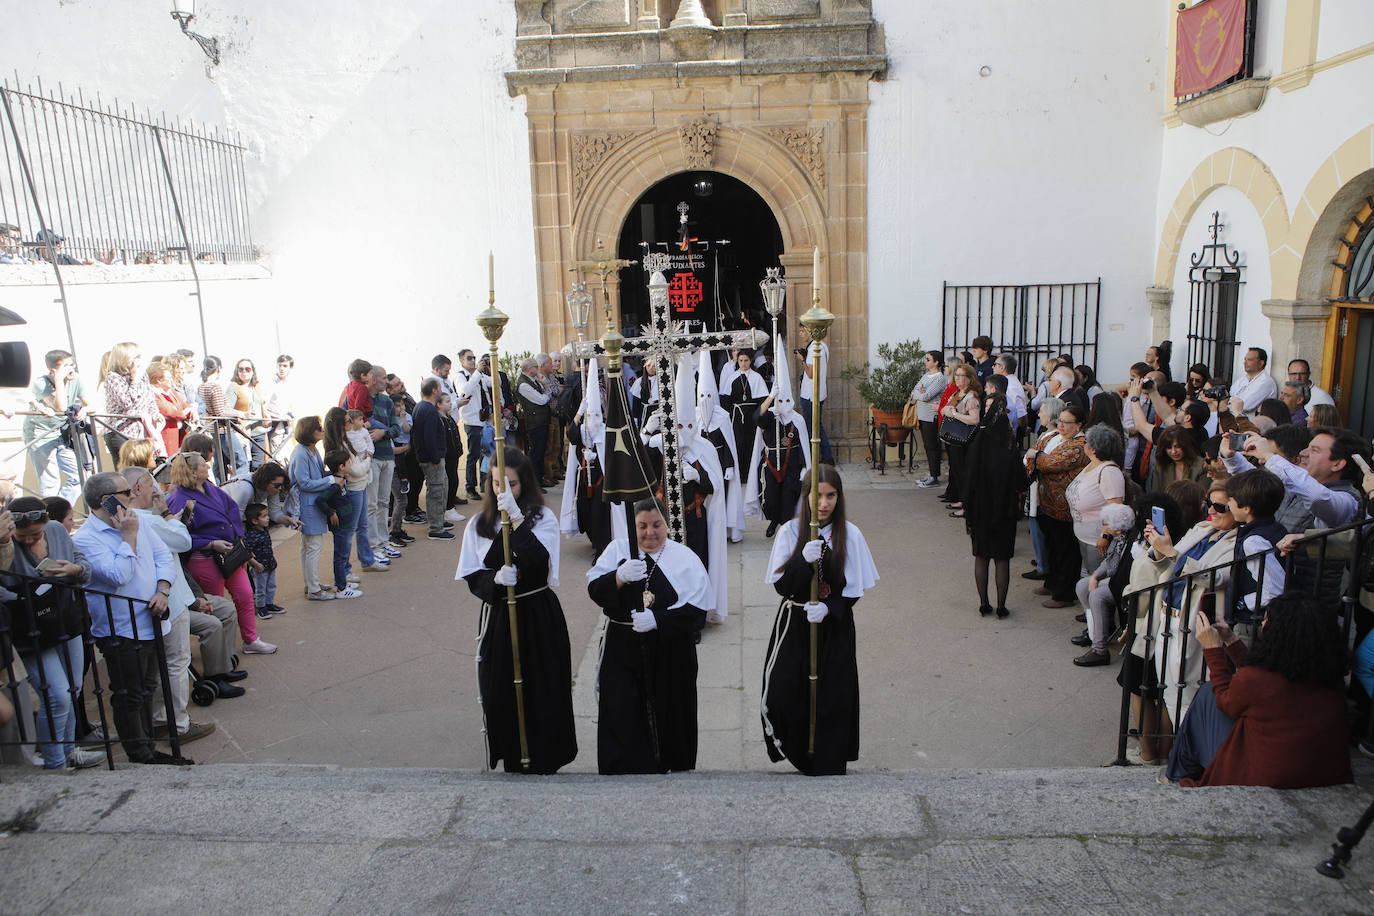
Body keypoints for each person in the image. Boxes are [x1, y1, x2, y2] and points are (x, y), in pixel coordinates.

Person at [457, 447, 577, 773]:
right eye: (496, 484)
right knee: (503, 693)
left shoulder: (543, 518)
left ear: (524, 482)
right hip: (501, 619)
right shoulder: (481, 524)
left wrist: (518, 521)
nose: (502, 491)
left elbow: (540, 559)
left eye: (511, 484)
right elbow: (472, 575)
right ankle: (511, 758)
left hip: (538, 616)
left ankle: (546, 760)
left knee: (543, 691)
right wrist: (493, 581)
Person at [762, 465, 878, 775]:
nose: (824, 503)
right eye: (818, 495)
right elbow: (781, 585)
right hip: (797, 625)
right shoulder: (790, 532)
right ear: (807, 496)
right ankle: (799, 751)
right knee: (785, 691)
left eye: (831, 496)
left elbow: (853, 591)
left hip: (834, 629)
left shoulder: (850, 535)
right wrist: (802, 561)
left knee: (833, 696)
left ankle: (828, 759)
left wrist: (830, 608)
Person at [1164, 594, 1350, 787]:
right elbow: (1256, 681)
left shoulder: (1258, 680)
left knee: (1208, 693)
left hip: (1265, 776)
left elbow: (1226, 701)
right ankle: (1178, 772)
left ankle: (1178, 774)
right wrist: (1230, 639)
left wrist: (1212, 650)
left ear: (1279, 632)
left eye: (1267, 619)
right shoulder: (1330, 679)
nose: (1262, 623)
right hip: (1321, 774)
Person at [71, 472, 191, 765]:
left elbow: (164, 558)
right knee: (130, 693)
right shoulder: (87, 538)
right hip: (120, 630)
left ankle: (148, 747)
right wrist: (129, 536)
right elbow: (118, 575)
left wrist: (163, 589)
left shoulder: (136, 520)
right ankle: (139, 753)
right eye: (126, 493)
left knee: (148, 688)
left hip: (153, 621)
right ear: (107, 501)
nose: (132, 497)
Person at [587, 497, 713, 774]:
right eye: (642, 526)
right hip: (622, 651)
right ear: (632, 526)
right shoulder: (618, 550)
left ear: (667, 524)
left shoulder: (684, 558)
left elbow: (695, 612)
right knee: (623, 713)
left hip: (670, 655)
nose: (649, 533)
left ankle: (672, 768)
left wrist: (658, 620)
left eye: (657, 525)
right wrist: (618, 577)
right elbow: (595, 590)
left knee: (671, 717)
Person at [120, 468, 238, 743]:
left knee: (167, 664)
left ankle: (166, 719)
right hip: (169, 603)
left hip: (174, 599)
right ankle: (175, 723)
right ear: (138, 489)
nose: (158, 492)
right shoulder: (149, 520)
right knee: (175, 662)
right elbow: (183, 542)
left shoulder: (137, 520)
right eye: (152, 486)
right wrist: (167, 513)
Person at [4, 497, 102, 769]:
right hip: (31, 628)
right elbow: (7, 584)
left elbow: (83, 564)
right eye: (23, 535)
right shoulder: (6, 545)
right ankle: (55, 763)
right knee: (55, 695)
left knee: (72, 689)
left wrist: (76, 569)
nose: (29, 540)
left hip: (63, 618)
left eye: (35, 534)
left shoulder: (57, 531)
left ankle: (70, 751)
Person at [163, 452, 277, 655]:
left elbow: (232, 509)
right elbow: (179, 538)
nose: (208, 467)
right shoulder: (179, 498)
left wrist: (238, 537)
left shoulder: (210, 488)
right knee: (215, 607)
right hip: (204, 559)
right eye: (203, 465)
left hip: (230, 553)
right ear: (193, 472)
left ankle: (250, 640)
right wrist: (210, 543)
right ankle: (220, 652)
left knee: (244, 595)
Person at [961, 384, 1026, 618]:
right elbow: (1021, 480)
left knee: (981, 556)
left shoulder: (978, 439)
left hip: (980, 508)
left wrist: (968, 503)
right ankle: (1001, 606)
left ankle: (983, 603)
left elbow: (966, 476)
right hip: (1004, 509)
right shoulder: (1009, 445)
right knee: (1001, 559)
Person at [1027, 403, 1088, 609]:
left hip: (1065, 509)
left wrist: (1037, 457)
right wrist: (1036, 457)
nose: (1060, 425)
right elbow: (1034, 457)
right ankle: (1052, 583)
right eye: (1060, 420)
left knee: (1066, 551)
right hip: (1048, 504)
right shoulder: (1055, 437)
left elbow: (1050, 462)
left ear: (1079, 425)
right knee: (1053, 547)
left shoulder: (1080, 444)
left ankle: (1064, 593)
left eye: (1066, 422)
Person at [745, 362, 811, 539]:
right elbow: (756, 416)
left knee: (789, 499)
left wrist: (805, 466)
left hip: (792, 466)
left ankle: (785, 527)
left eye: (787, 400)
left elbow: (805, 445)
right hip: (771, 465)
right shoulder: (770, 417)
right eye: (780, 400)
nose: (784, 404)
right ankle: (773, 521)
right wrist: (770, 397)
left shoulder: (798, 421)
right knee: (771, 499)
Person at [1071, 503, 1136, 667]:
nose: (1103, 526)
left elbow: (1119, 571)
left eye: (1106, 523)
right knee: (1082, 586)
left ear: (1118, 528)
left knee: (1097, 595)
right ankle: (1095, 631)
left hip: (1126, 585)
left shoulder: (1130, 542)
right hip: (1116, 579)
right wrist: (1095, 576)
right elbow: (1109, 564)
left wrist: (1098, 579)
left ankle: (1099, 649)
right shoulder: (1117, 539)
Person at [289, 416, 346, 601]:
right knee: (313, 546)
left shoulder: (311, 450)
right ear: (309, 431)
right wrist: (331, 480)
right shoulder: (301, 453)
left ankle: (311, 584)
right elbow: (304, 482)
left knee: (308, 546)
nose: (322, 430)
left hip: (312, 503)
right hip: (308, 504)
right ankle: (313, 589)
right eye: (318, 428)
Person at [24, 349, 88, 505]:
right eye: (66, 365)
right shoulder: (41, 383)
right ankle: (53, 518)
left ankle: (58, 511)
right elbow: (60, 407)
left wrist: (85, 409)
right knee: (50, 482)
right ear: (53, 370)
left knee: (80, 476)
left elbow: (91, 404)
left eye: (72, 364)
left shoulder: (76, 380)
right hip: (39, 435)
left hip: (60, 434)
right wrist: (59, 380)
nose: (71, 368)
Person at [101, 341, 165, 461]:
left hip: (141, 432)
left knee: (145, 471)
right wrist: (134, 381)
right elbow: (127, 403)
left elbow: (150, 399)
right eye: (137, 357)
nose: (140, 361)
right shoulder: (113, 377)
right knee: (128, 472)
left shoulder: (143, 376)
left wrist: (154, 413)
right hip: (121, 431)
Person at [412, 377, 454, 541]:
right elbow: (429, 437)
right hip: (432, 459)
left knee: (441, 487)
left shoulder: (421, 407)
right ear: (435, 390)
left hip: (430, 457)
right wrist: (436, 458)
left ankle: (439, 520)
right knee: (436, 490)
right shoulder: (428, 409)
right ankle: (436, 528)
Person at [940, 363, 981, 513]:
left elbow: (974, 419)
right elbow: (946, 408)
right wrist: (946, 410)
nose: (957, 378)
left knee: (963, 472)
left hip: (963, 440)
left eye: (960, 376)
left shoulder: (971, 397)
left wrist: (954, 414)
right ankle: (961, 500)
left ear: (969, 379)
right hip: (953, 439)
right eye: (955, 375)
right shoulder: (957, 393)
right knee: (956, 470)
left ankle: (967, 504)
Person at [727, 350, 769, 480]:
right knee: (738, 443)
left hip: (752, 415)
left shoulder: (757, 377)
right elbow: (726, 399)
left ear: (750, 361)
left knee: (751, 444)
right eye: (741, 360)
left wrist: (761, 419)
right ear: (737, 361)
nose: (743, 363)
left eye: (746, 360)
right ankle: (740, 475)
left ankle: (751, 476)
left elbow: (763, 400)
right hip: (737, 416)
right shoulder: (732, 377)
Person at [795, 325, 834, 465]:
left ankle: (819, 458)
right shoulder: (823, 346)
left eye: (802, 331)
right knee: (817, 425)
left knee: (813, 428)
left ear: (810, 331)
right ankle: (825, 457)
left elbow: (810, 374)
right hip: (820, 393)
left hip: (810, 394)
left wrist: (802, 359)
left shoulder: (812, 349)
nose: (800, 334)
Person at [909, 351, 947, 489]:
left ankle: (934, 476)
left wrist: (921, 393)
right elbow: (914, 391)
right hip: (922, 415)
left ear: (936, 362)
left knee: (932, 446)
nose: (925, 361)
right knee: (927, 445)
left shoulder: (940, 378)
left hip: (931, 416)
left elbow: (927, 396)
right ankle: (932, 474)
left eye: (928, 359)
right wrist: (921, 392)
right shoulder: (926, 375)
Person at [516, 356, 554, 488]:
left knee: (542, 451)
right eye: (535, 366)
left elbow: (544, 394)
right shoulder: (524, 384)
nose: (538, 369)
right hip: (535, 423)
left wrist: (544, 385)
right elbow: (542, 399)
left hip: (541, 420)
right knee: (536, 453)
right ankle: (534, 483)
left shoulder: (534, 380)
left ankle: (540, 478)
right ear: (528, 369)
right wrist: (547, 390)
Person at [228, 358, 269, 469]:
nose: (244, 372)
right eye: (241, 369)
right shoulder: (233, 387)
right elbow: (226, 409)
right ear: (237, 371)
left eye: (247, 369)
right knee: (244, 464)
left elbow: (263, 404)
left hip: (259, 430)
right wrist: (243, 414)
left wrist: (267, 416)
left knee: (259, 466)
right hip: (243, 432)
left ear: (253, 371)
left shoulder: (257, 386)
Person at [243, 503, 282, 619]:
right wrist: (255, 564)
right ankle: (261, 607)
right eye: (264, 516)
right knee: (261, 588)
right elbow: (247, 552)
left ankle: (269, 604)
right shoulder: (251, 535)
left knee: (271, 585)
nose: (268, 518)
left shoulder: (264, 530)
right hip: (259, 566)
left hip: (270, 564)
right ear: (255, 521)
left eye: (267, 515)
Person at [147, 359, 192, 456]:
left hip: (180, 433)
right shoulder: (152, 394)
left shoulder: (171, 391)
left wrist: (191, 410)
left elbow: (185, 405)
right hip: (166, 433)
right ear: (159, 380)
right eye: (168, 378)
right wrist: (184, 412)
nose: (171, 380)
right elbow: (169, 411)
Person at [1148, 425, 1209, 493]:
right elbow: (1156, 493)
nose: (1174, 451)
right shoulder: (1160, 465)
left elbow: (1202, 495)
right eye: (1169, 447)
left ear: (1185, 445)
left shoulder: (1202, 465)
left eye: (1177, 446)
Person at [1227, 347, 1277, 417]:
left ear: (1261, 363)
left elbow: (1245, 406)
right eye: (1245, 359)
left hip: (1252, 425)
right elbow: (1230, 395)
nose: (1245, 363)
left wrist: (1229, 403)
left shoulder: (1266, 382)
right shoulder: (1242, 380)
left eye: (1249, 360)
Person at [264, 354, 296, 458]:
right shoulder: (271, 383)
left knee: (288, 457)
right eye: (280, 366)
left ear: (290, 367)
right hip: (276, 427)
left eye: (285, 366)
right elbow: (264, 406)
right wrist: (276, 417)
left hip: (287, 427)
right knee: (278, 458)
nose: (281, 369)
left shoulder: (289, 383)